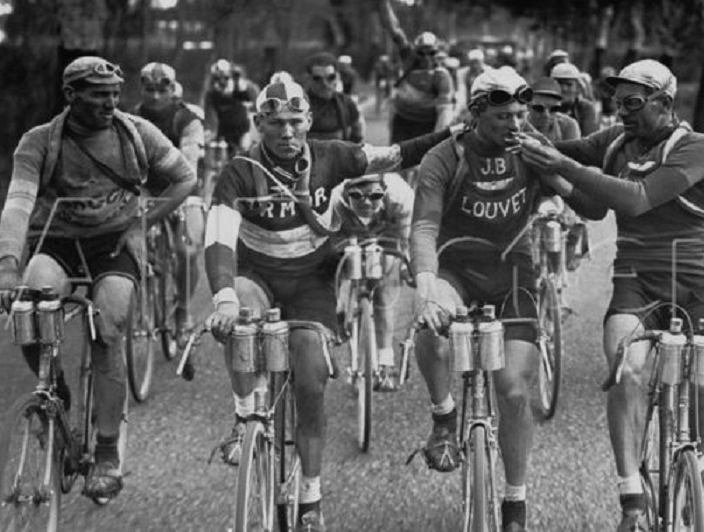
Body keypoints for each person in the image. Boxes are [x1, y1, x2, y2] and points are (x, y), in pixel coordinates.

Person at [204, 77, 459, 531]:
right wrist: (222, 296)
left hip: (311, 281)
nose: (286, 132)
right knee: (241, 315)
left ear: (308, 121)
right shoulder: (239, 170)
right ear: (260, 122)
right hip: (256, 275)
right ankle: (245, 417)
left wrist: (453, 133)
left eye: (295, 122)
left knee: (311, 380)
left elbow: (399, 154)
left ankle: (310, 498)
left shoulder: (335, 155)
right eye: (276, 123)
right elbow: (219, 236)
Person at [517, 59, 704, 531]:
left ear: (665, 103)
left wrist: (563, 166)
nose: (623, 112)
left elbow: (634, 198)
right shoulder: (613, 142)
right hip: (636, 278)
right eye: (618, 103)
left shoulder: (698, 148)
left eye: (633, 103)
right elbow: (590, 202)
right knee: (625, 370)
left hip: (697, 281)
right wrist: (526, 149)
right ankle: (631, 492)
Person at [0, 56, 195, 500]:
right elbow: (17, 205)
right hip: (58, 243)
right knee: (28, 311)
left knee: (110, 325)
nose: (110, 103)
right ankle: (56, 391)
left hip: (113, 246)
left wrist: (143, 221)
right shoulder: (39, 142)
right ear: (71, 95)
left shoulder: (137, 133)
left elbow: (184, 177)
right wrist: (7, 268)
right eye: (98, 94)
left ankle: (106, 452)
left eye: (114, 94)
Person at [410, 67, 600, 532]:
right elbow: (424, 227)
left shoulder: (532, 149)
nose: (515, 125)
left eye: (520, 114)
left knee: (513, 389)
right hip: (455, 268)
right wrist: (427, 287)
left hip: (513, 274)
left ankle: (515, 501)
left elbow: (592, 209)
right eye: (502, 117)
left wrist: (554, 165)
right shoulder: (444, 157)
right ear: (476, 114)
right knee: (428, 328)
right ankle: (443, 415)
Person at [134, 62, 206, 344]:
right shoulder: (131, 118)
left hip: (184, 188)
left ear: (172, 89)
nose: (155, 96)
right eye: (149, 89)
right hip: (147, 188)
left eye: (161, 89)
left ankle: (184, 311)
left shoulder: (187, 119)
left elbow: (188, 165)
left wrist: (175, 197)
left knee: (186, 251)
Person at [329, 172, 413, 391]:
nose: (366, 202)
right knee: (340, 269)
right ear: (346, 194)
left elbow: (406, 238)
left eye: (374, 196)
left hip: (388, 230)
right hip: (348, 230)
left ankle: (385, 362)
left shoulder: (400, 195)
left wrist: (406, 265)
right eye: (357, 195)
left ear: (384, 192)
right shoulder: (335, 198)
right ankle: (343, 312)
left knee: (386, 284)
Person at [527, 77, 588, 272]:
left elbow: (574, 171)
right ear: (527, 106)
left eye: (554, 109)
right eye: (538, 108)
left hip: (556, 190)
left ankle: (558, 279)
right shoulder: (516, 125)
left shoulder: (569, 126)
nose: (546, 115)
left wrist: (571, 209)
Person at [380, 0, 455, 142]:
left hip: (427, 122)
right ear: (415, 52)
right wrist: (383, 4)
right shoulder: (409, 58)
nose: (426, 57)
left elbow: (444, 112)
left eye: (431, 53)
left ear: (437, 53)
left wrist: (436, 139)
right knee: (398, 157)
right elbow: (394, 30)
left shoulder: (441, 76)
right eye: (422, 53)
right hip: (402, 118)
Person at [304, 53, 365, 143]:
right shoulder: (300, 105)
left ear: (337, 77)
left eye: (331, 77)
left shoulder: (347, 104)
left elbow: (358, 130)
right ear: (309, 79)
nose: (324, 83)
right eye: (317, 78)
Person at [203, 58, 259, 154]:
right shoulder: (212, 94)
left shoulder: (241, 88)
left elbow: (254, 96)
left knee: (244, 150)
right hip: (224, 132)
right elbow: (208, 114)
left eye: (225, 78)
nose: (222, 81)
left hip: (242, 130)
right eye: (218, 78)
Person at [551, 62, 599, 136]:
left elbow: (590, 140)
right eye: (559, 83)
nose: (564, 89)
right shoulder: (542, 108)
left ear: (577, 88)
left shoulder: (586, 108)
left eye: (569, 84)